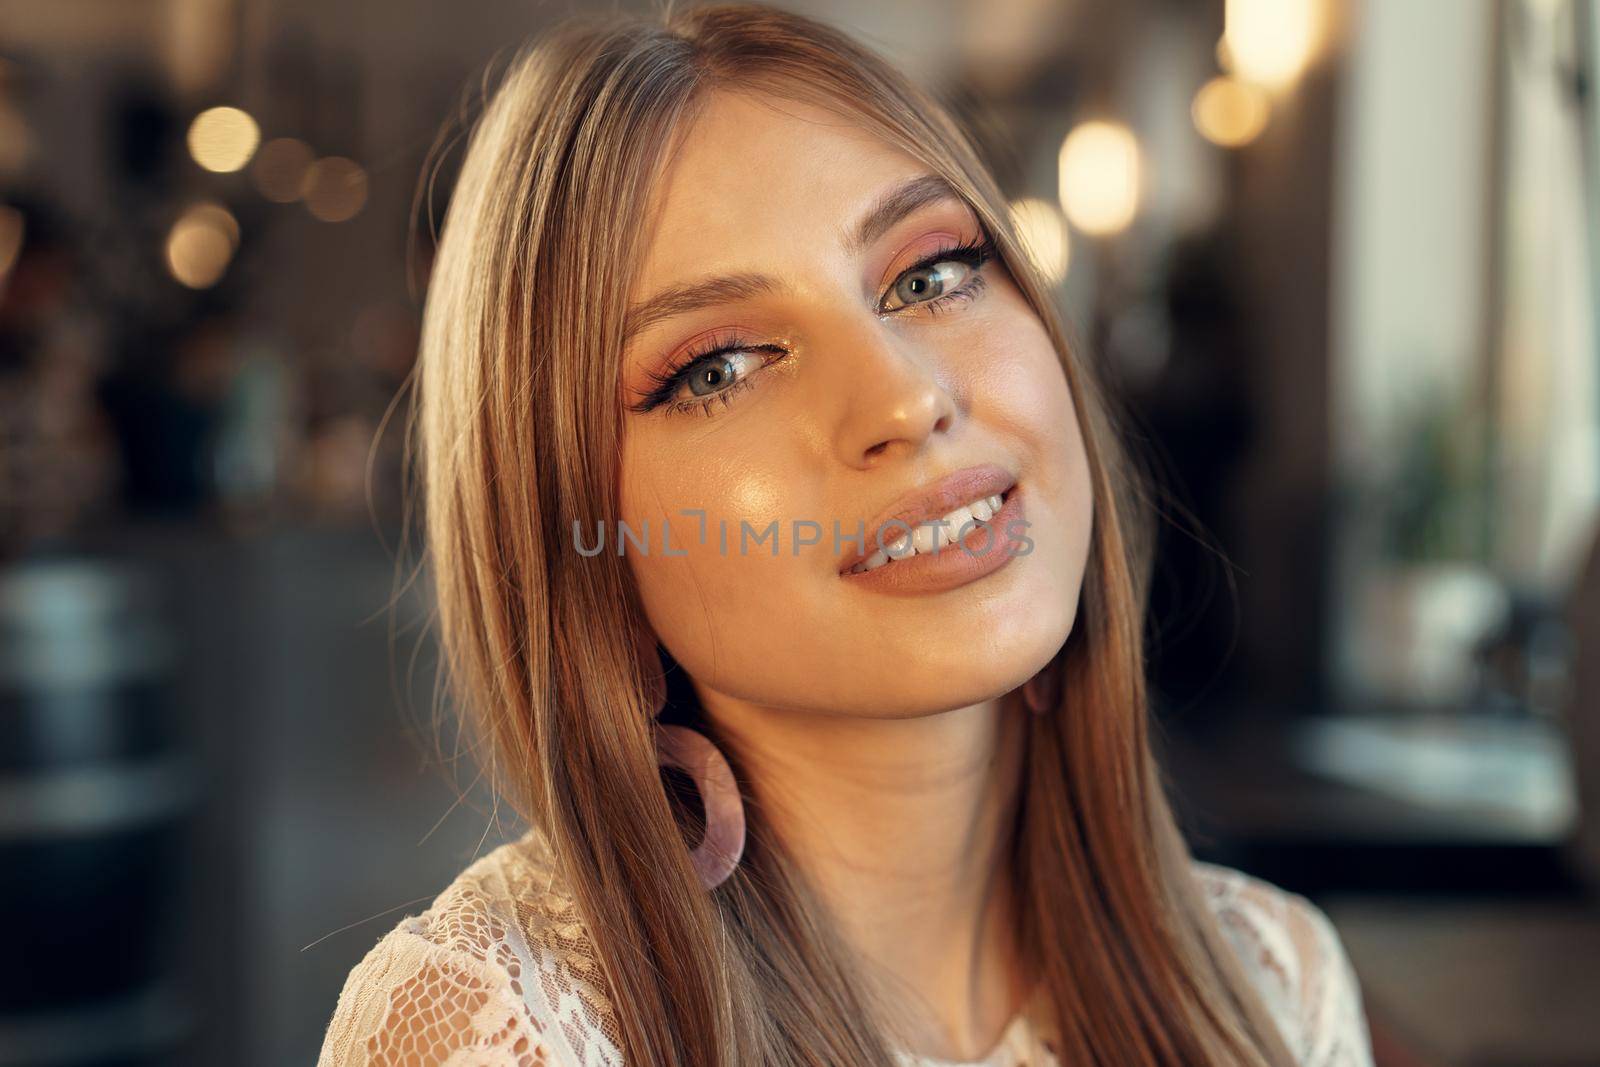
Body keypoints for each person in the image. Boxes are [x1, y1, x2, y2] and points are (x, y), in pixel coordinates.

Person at [316, 3, 1375, 1064]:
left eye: (928, 275)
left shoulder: (1272, 983)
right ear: (585, 548)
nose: (906, 399)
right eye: (717, 368)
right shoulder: (495, 1028)